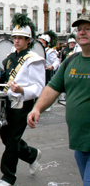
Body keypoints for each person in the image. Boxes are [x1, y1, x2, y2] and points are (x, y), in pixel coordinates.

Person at [28, 11, 90, 186]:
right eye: (79, 30)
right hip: (79, 143)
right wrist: (37, 108)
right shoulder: (71, 61)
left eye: (87, 29)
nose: (82, 33)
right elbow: (52, 88)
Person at [0, 13, 44, 186]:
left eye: (21, 38)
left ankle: (8, 177)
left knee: (12, 140)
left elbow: (39, 87)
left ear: (29, 40)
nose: (17, 41)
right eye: (15, 37)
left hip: (22, 104)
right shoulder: (11, 58)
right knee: (6, 137)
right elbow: (7, 78)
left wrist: (22, 90)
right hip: (7, 103)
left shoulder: (34, 60)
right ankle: (31, 155)